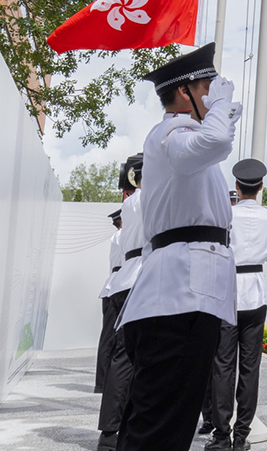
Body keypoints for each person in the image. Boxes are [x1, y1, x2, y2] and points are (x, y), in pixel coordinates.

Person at [115, 44, 241, 451]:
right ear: (186, 92)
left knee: (165, 419)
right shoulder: (173, 132)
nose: (215, 93)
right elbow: (215, 140)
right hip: (179, 298)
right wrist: (220, 112)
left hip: (185, 294)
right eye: (208, 87)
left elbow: (215, 141)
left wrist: (220, 112)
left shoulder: (179, 135)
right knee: (160, 425)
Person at [203, 159, 267, 451]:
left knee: (223, 366)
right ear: (260, 187)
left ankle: (221, 435)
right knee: (251, 368)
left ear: (237, 186)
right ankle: (241, 436)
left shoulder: (225, 214)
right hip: (256, 293)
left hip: (228, 291)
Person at [95, 154, 146, 451]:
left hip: (126, 279)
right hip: (144, 277)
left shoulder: (131, 203)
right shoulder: (152, 199)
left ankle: (110, 431)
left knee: (122, 357)